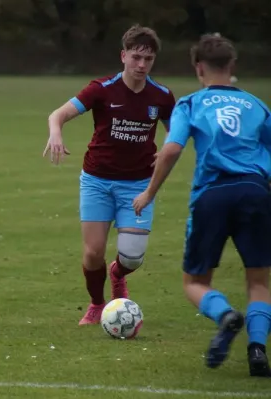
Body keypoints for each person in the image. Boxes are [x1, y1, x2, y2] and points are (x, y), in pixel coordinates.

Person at [133, 34, 271, 377]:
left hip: (213, 194)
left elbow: (173, 148)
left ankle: (225, 315)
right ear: (232, 66)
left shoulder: (191, 104)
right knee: (259, 282)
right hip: (256, 192)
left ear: (198, 67)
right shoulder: (258, 106)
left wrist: (149, 193)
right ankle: (257, 350)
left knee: (195, 281)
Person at [43, 25, 176, 325]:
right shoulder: (102, 89)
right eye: (136, 57)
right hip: (97, 181)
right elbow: (58, 114)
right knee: (93, 254)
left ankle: (118, 274)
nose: (142, 65)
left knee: (132, 257)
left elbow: (176, 132)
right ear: (123, 55)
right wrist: (56, 133)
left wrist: (167, 147)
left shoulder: (162, 96)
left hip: (139, 184)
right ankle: (97, 304)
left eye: (149, 59)